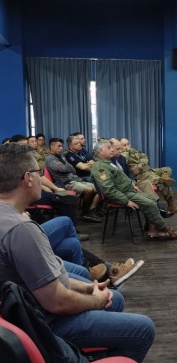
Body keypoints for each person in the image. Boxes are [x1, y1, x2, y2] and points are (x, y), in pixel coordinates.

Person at [0, 142, 155, 362]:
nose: (41, 176)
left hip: (28, 309)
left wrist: (86, 287)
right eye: (38, 172)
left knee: (108, 290)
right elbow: (57, 302)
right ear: (28, 179)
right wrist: (96, 300)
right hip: (43, 323)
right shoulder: (21, 229)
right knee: (143, 329)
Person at [92, 139, 177, 240]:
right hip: (123, 194)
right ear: (100, 151)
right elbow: (108, 190)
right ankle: (164, 228)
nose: (112, 150)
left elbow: (120, 179)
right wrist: (126, 201)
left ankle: (153, 229)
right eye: (109, 148)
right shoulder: (100, 167)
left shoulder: (106, 163)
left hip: (127, 191)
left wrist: (131, 184)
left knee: (152, 199)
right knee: (150, 204)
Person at [37, 215, 144, 287]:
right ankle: (102, 273)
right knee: (66, 222)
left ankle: (104, 273)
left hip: (23, 231)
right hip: (23, 241)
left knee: (72, 245)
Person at [110, 138, 174, 218]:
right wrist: (131, 183)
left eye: (128, 144)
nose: (121, 150)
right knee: (157, 183)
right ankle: (156, 214)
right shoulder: (114, 159)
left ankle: (157, 210)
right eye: (119, 148)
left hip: (136, 179)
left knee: (149, 182)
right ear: (111, 149)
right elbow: (116, 179)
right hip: (124, 186)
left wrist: (133, 180)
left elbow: (129, 171)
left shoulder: (121, 158)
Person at [45, 137, 101, 223]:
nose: (61, 148)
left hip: (74, 179)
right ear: (52, 146)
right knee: (89, 190)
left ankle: (91, 210)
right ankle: (85, 212)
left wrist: (66, 167)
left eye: (61, 146)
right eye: (59, 146)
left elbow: (73, 169)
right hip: (65, 182)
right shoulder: (50, 158)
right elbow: (62, 169)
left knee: (98, 188)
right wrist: (67, 167)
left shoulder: (61, 157)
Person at [122, 141, 177, 213]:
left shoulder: (134, 151)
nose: (127, 146)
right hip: (141, 175)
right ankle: (171, 205)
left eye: (128, 144)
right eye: (124, 145)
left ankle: (164, 178)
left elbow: (144, 157)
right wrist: (126, 150)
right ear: (120, 146)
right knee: (161, 182)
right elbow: (125, 160)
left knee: (167, 169)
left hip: (149, 170)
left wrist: (141, 163)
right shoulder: (122, 155)